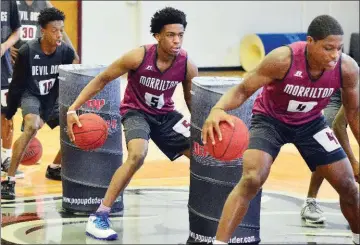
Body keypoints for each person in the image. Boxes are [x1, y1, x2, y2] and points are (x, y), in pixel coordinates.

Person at [201, 15, 359, 245]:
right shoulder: (283, 59)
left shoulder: (347, 68)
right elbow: (244, 89)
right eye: (328, 48)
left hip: (311, 123)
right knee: (252, 178)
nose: (335, 55)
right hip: (270, 121)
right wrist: (217, 108)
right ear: (310, 42)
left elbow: (353, 114)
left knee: (348, 185)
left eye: (339, 48)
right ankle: (220, 243)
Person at [66, 7, 198, 240]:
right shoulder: (138, 57)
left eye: (180, 35)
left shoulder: (187, 64)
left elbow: (189, 100)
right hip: (136, 112)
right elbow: (102, 79)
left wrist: (201, 127)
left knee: (202, 156)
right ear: (157, 36)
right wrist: (72, 107)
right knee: (138, 154)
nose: (176, 40)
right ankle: (100, 215)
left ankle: (207, 213)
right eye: (170, 35)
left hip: (166, 116)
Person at [1, 7, 78, 200]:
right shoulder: (27, 51)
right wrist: (10, 112)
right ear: (42, 31)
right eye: (54, 30)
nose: (59, 34)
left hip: (52, 95)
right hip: (31, 94)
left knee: (77, 124)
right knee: (32, 126)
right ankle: (9, 180)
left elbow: (61, 85)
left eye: (61, 30)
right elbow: (18, 84)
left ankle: (54, 167)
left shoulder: (66, 52)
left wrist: (47, 112)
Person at [301, 91, 359, 226]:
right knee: (327, 143)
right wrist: (353, 163)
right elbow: (338, 126)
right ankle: (310, 200)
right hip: (341, 89)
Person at [1, 0, 22, 179]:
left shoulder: (9, 2)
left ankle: (6, 157)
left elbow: (17, 32)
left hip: (3, 67)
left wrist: (4, 46)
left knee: (7, 114)